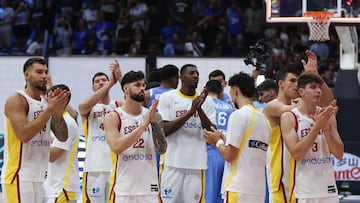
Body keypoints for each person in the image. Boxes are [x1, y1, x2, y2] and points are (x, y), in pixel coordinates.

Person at [264, 50, 334, 203]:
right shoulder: (273, 106)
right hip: (281, 179)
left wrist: (316, 76)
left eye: (299, 81)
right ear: (280, 84)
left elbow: (328, 103)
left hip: (300, 179)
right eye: (292, 81)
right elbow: (308, 107)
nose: (296, 85)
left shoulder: (300, 105)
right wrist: (310, 98)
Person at [1, 57, 69, 203]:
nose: (44, 76)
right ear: (27, 75)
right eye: (39, 72)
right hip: (19, 176)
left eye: (46, 72)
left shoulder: (45, 103)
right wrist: (49, 110)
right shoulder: (17, 99)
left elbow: (62, 137)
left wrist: (57, 112)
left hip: (39, 177)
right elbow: (24, 135)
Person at [203, 72, 271, 203]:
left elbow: (229, 155)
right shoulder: (264, 119)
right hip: (258, 189)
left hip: (238, 188)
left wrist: (216, 141)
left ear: (235, 90)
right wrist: (224, 139)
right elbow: (249, 146)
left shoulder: (238, 115)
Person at [104, 70, 167, 203]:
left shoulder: (153, 115)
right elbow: (116, 147)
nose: (142, 89)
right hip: (123, 189)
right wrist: (143, 126)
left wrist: (153, 123)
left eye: (144, 85)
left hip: (150, 189)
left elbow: (162, 149)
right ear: (126, 89)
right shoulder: (113, 117)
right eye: (137, 85)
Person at [280, 73, 343, 203]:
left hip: (328, 189)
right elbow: (297, 154)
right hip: (303, 191)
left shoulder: (328, 115)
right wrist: (316, 127)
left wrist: (325, 129)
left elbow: (338, 153)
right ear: (301, 91)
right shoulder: (289, 117)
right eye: (313, 87)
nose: (318, 91)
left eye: (319, 87)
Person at [158, 64, 216, 203]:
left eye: (197, 73)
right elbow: (164, 130)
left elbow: (211, 132)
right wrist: (190, 112)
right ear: (181, 78)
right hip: (172, 164)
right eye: (191, 73)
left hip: (196, 166)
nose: (196, 76)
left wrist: (199, 110)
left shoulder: (207, 101)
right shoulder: (168, 97)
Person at [78, 59, 123, 203]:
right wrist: (111, 82)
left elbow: (136, 100)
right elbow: (83, 106)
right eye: (97, 81)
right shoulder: (89, 108)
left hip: (116, 166)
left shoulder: (118, 105)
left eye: (104, 79)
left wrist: (120, 78)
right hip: (94, 167)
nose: (101, 82)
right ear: (92, 87)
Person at [43, 84, 80, 203]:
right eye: (49, 96)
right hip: (54, 186)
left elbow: (52, 156)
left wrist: (33, 145)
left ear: (64, 100)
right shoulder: (51, 120)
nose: (47, 99)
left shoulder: (67, 123)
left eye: (52, 96)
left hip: (63, 187)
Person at [204, 80, 233, 203]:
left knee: (209, 194)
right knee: (222, 194)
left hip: (209, 151)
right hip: (225, 151)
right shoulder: (230, 107)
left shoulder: (205, 104)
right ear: (221, 92)